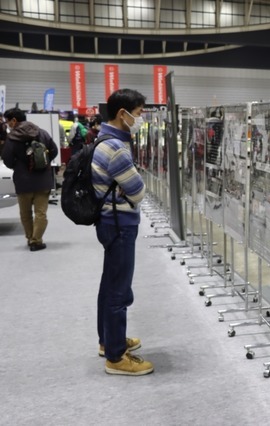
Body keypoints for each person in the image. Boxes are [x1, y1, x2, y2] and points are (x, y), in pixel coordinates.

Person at [93, 89, 152, 375]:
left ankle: (109, 341)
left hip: (109, 222)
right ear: (122, 114)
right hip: (120, 224)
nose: (140, 119)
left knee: (110, 284)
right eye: (139, 114)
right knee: (119, 291)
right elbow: (138, 191)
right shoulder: (116, 147)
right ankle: (116, 358)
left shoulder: (105, 139)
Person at [1, 108, 58, 251]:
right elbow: (54, 150)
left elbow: (7, 159)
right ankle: (36, 240)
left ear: (14, 120)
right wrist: (45, 162)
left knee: (25, 213)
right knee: (41, 213)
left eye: (8, 121)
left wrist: (18, 166)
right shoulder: (41, 132)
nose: (7, 124)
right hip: (43, 180)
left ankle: (30, 239)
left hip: (22, 181)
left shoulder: (12, 138)